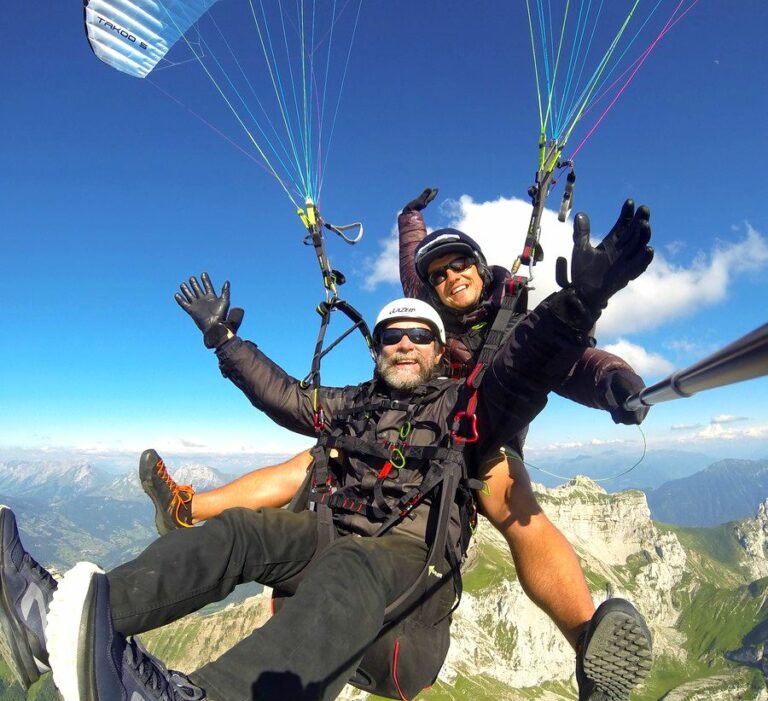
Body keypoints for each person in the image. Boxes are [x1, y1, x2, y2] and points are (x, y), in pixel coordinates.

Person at [0, 220, 653, 701]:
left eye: (418, 335)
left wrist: (582, 303)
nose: (404, 342)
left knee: (422, 537)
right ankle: (54, 618)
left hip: (400, 613)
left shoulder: (470, 406)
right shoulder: (359, 406)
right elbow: (285, 396)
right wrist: (224, 340)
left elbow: (528, 366)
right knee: (247, 531)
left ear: (436, 351)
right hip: (335, 551)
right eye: (392, 335)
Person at [140, 193, 648, 673]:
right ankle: (187, 510)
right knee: (317, 457)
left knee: (512, 504)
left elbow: (571, 361)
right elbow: (414, 264)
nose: (451, 278)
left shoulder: (516, 322)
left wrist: (612, 381)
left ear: (479, 266)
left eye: (460, 266)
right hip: (411, 424)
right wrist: (410, 219)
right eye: (439, 275)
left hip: (484, 434)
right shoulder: (423, 318)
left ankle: (587, 639)